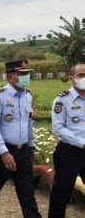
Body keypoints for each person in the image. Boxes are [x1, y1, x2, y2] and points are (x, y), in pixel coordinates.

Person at [0, 60, 41, 218]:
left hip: (23, 153)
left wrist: (31, 146)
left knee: (28, 196)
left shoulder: (27, 96)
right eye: (21, 73)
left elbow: (28, 123)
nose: (26, 76)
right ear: (11, 76)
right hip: (1, 153)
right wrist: (5, 153)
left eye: (27, 73)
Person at [48, 64, 85, 218]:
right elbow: (58, 128)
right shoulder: (62, 100)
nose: (84, 78)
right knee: (61, 193)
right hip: (69, 152)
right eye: (81, 75)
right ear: (72, 79)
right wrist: (82, 142)